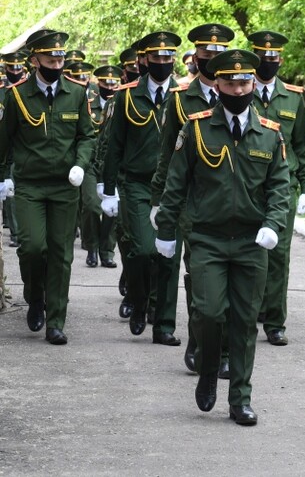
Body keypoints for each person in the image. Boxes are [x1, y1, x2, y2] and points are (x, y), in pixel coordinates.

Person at [155, 48, 291, 426]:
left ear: (252, 83)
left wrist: (273, 224)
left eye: (244, 81)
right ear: (217, 84)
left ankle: (240, 399)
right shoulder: (196, 128)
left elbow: (281, 188)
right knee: (210, 312)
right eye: (230, 82)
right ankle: (209, 367)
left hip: (252, 241)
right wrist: (166, 229)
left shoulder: (269, 133)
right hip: (208, 239)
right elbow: (175, 184)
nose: (238, 88)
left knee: (246, 320)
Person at [0, 31, 96, 344]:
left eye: (60, 58)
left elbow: (86, 136)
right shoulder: (16, 95)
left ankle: (56, 321)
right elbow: (5, 140)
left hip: (65, 187)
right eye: (50, 58)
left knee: (60, 253)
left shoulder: (77, 93)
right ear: (35, 60)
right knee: (32, 248)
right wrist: (3, 177)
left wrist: (81, 163)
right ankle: (35, 296)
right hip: (29, 185)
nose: (57, 62)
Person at [150, 22, 232, 373]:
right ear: (196, 57)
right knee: (199, 278)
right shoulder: (180, 98)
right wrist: (159, 202)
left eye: (218, 55)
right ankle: (199, 341)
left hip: (230, 203)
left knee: (226, 285)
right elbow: (168, 155)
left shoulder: (244, 95)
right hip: (190, 205)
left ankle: (211, 348)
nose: (211, 60)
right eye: (206, 54)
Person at [101, 31, 182, 345]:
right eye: (157, 58)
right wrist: (108, 189)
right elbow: (114, 145)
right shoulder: (127, 94)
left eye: (168, 57)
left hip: (173, 189)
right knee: (143, 250)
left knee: (168, 257)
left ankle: (163, 326)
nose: (163, 63)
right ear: (145, 60)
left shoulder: (183, 94)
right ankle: (138, 301)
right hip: (136, 184)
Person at [248, 30, 305, 346]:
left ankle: (275, 322)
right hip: (247, 189)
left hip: (281, 190)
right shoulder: (239, 91)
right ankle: (248, 313)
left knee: (278, 257)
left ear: (280, 60)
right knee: (248, 254)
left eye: (273, 58)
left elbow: (303, 146)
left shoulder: (292, 97)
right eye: (263, 57)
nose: (268, 62)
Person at [80, 65, 123, 269]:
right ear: (99, 83)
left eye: (114, 82)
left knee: (112, 209)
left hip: (112, 163)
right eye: (106, 82)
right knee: (90, 206)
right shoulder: (89, 104)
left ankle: (107, 251)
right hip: (90, 162)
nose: (110, 86)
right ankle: (92, 247)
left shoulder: (122, 104)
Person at [1, 50, 29, 249]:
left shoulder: (27, 90)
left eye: (20, 67)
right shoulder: (2, 92)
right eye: (13, 68)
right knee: (10, 191)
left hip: (24, 147)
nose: (17, 71)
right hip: (6, 149)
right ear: (6, 68)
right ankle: (15, 231)